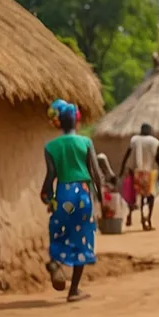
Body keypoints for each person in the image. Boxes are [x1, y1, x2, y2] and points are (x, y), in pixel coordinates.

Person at [40, 100, 101, 303]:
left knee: (60, 230)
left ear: (59, 123)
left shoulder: (50, 147)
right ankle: (74, 290)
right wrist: (100, 195)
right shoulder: (85, 142)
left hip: (63, 193)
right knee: (81, 238)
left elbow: (51, 175)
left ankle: (55, 262)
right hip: (82, 194)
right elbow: (95, 173)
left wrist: (46, 194)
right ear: (76, 122)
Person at [121, 124, 159, 231]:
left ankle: (130, 215)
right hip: (149, 173)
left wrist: (122, 169)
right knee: (150, 196)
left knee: (133, 195)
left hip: (135, 171)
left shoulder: (134, 140)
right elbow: (158, 158)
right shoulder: (155, 142)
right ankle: (148, 219)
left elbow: (127, 155)